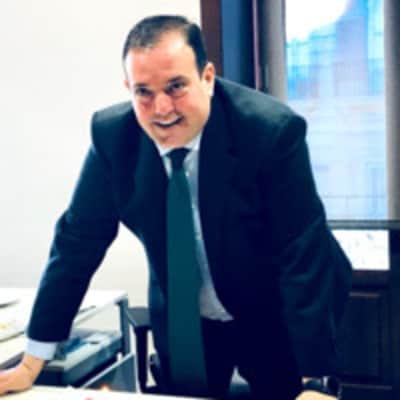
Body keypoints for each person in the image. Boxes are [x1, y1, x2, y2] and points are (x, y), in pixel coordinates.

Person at [0, 15, 352, 400]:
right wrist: (32, 361)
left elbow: (301, 252)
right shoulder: (113, 138)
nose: (162, 108)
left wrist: (315, 380)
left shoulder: (269, 131)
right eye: (144, 92)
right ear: (128, 88)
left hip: (276, 308)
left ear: (207, 77)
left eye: (176, 86)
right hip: (186, 315)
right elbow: (76, 244)